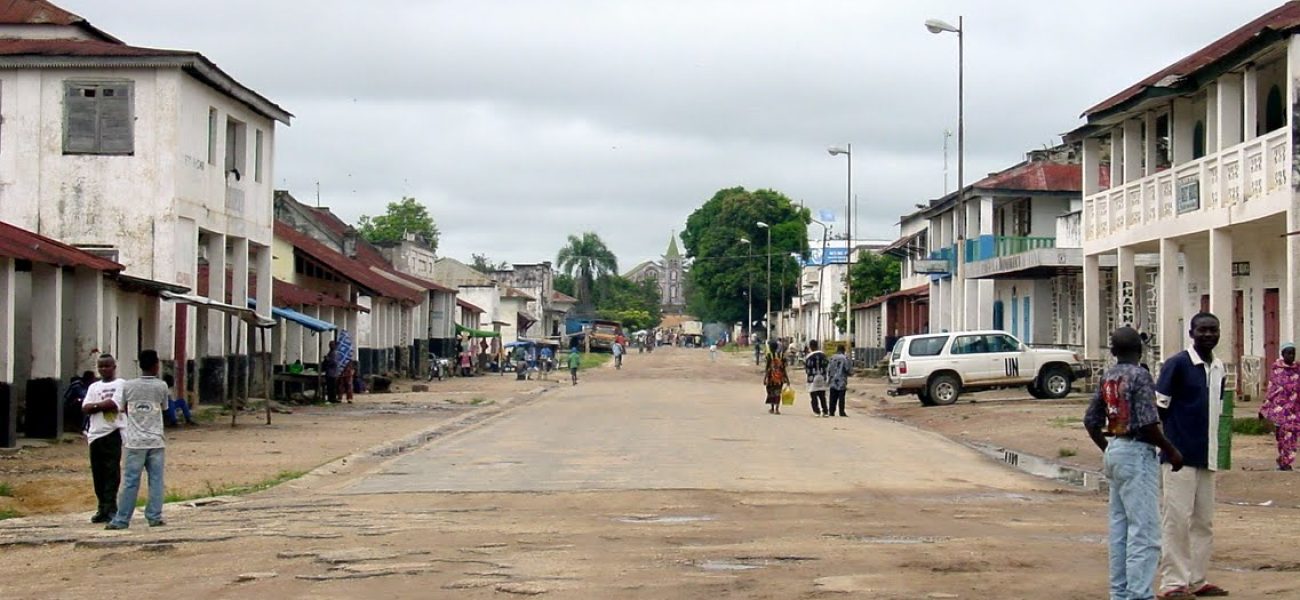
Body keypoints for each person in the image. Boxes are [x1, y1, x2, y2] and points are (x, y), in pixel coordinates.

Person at [1085, 327, 1184, 600]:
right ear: (1141, 351)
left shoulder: (1108, 377)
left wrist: (1110, 449)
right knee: (1146, 532)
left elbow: (1090, 421)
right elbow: (1148, 424)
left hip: (1116, 449)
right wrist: (1171, 451)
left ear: (1113, 352)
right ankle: (1139, 594)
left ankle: (1120, 592)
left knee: (1120, 528)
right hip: (1138, 452)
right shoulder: (1140, 376)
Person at [1154, 312, 1229, 600]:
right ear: (1191, 333)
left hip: (1207, 456)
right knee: (1176, 520)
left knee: (1203, 522)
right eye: (1203, 330)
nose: (1208, 335)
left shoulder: (1219, 367)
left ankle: (1197, 579)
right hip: (1178, 458)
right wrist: (1169, 445)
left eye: (1213, 330)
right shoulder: (1177, 365)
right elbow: (1160, 408)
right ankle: (1173, 583)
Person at [107, 349, 170, 530]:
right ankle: (154, 516)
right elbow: (164, 408)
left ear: (139, 365)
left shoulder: (128, 386)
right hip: (156, 440)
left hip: (134, 441)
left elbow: (122, 407)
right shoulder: (162, 386)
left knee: (130, 481)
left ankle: (122, 519)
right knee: (156, 480)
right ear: (156, 365)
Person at [82, 354, 124, 524]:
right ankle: (102, 508)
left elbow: (114, 404)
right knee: (97, 473)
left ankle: (111, 507)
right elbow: (85, 407)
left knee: (111, 471)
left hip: (112, 432)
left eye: (107, 366)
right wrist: (100, 405)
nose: (104, 369)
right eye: (101, 367)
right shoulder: (93, 387)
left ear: (114, 367)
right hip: (95, 434)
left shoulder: (121, 384)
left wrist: (96, 406)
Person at [1262, 342, 1300, 471]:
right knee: (1281, 437)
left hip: (1294, 411)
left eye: (1293, 353)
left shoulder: (1298, 369)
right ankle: (1282, 459)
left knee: (1292, 436)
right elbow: (1272, 390)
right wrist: (1264, 408)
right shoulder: (1277, 371)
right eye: (1288, 353)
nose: (1291, 356)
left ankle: (1286, 462)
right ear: (1282, 354)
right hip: (1281, 411)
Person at [763, 340, 789, 415]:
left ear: (770, 347)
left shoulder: (769, 356)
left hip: (771, 378)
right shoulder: (781, 356)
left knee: (771, 392)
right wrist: (787, 379)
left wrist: (765, 378)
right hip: (780, 378)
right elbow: (784, 368)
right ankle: (777, 409)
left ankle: (772, 408)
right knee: (778, 393)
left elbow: (767, 368)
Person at [805, 340, 829, 417]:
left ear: (811, 346)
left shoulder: (809, 357)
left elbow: (807, 368)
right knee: (822, 395)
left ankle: (816, 411)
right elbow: (826, 365)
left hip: (812, 378)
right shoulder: (823, 355)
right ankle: (825, 411)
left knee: (813, 395)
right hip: (822, 377)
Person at [827, 345, 852, 417]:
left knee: (832, 397)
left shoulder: (832, 358)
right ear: (843, 351)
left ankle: (831, 411)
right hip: (841, 380)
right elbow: (848, 370)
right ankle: (841, 412)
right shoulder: (845, 358)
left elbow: (828, 369)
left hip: (833, 380)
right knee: (841, 397)